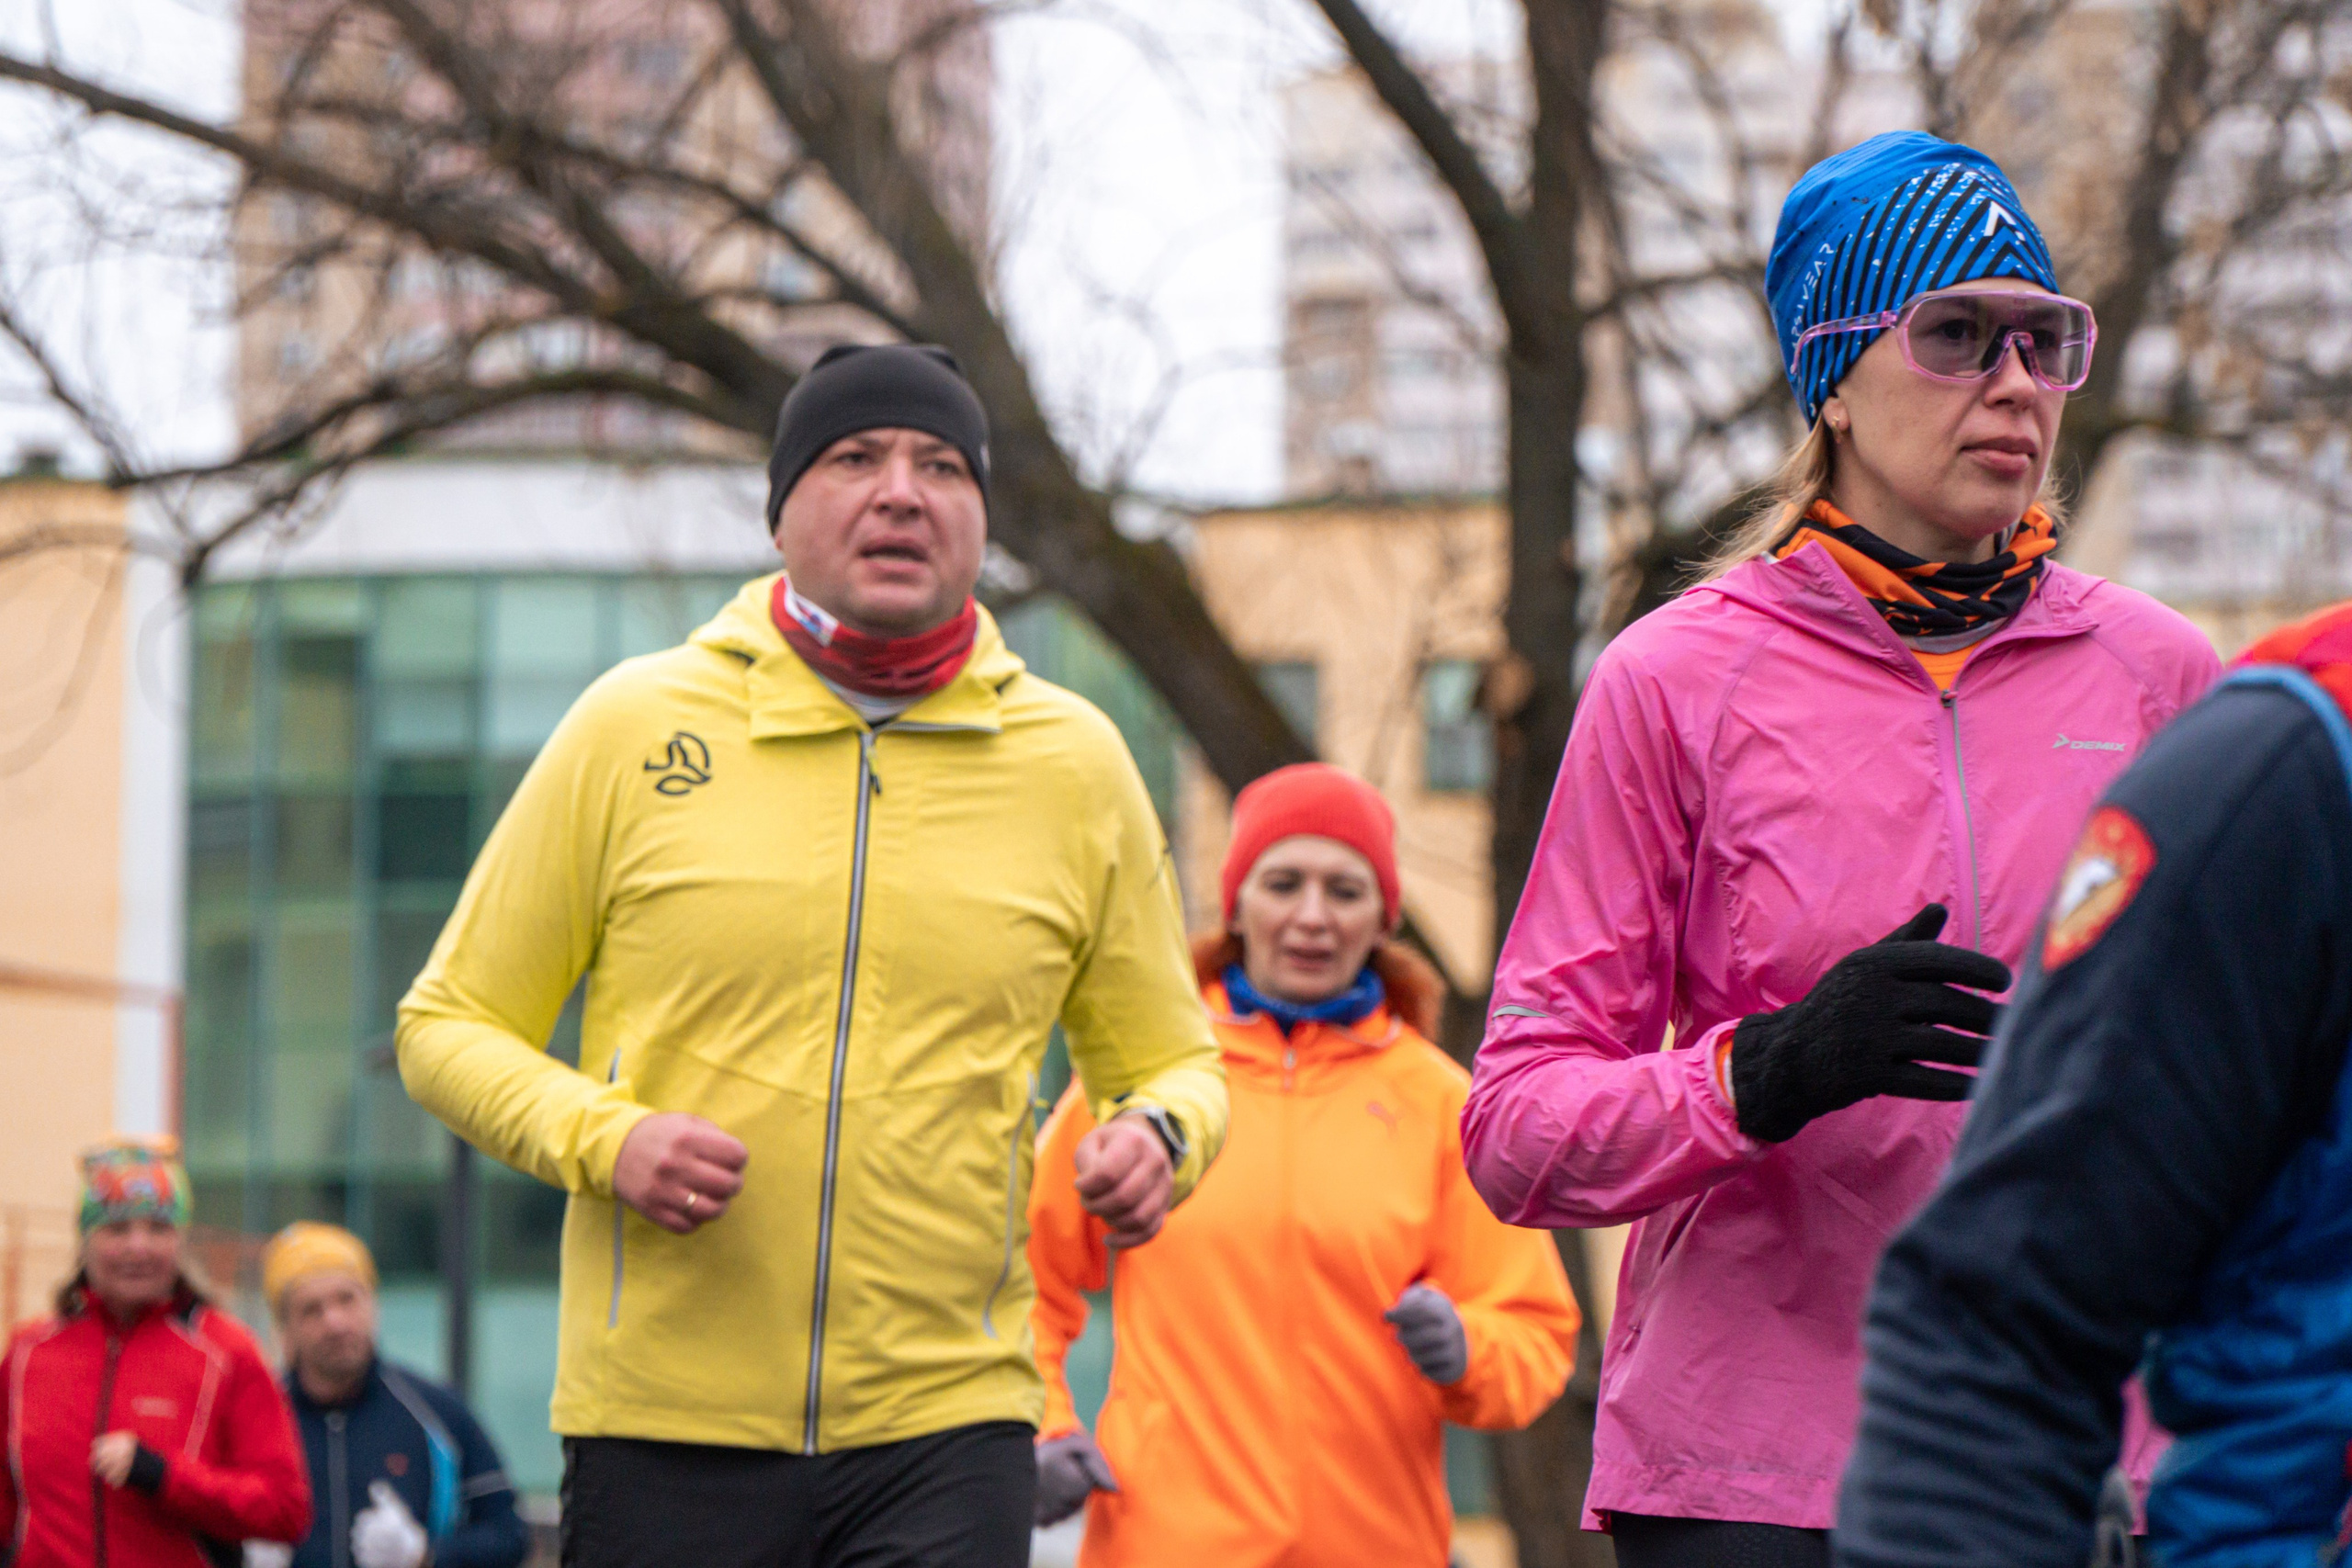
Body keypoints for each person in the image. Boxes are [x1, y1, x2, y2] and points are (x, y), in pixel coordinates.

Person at [1458, 130, 2221, 1567]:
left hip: (2083, 1459)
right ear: (1837, 380)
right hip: (1757, 1477)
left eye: (2043, 340)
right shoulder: (1675, 679)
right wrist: (1765, 1070)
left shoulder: (2163, 675)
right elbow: (1515, 1128)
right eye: (1955, 333)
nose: (2013, 382)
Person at [396, 342, 1228, 1568]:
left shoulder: (1076, 761)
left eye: (942, 464)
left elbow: (1176, 1060)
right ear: (782, 509)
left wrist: (1157, 1135)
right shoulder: (636, 723)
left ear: (979, 517)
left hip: (951, 1423)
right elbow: (447, 1022)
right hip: (664, 1423)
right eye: (856, 457)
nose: (902, 489)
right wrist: (607, 1135)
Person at [1835, 602, 2352, 1566]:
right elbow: (1996, 1327)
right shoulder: (2286, 765)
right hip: (1743, 1439)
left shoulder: (2152, 658)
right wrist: (1756, 1074)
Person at [1027, 762, 1582, 1567]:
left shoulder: (1440, 1104)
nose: (1312, 916)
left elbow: (1536, 1334)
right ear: (1238, 902)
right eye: (1283, 882)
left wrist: (1466, 1347)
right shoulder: (1150, 1079)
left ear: (1384, 916)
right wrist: (1042, 1426)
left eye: (1346, 890)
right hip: (1165, 1545)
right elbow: (1020, 1277)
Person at [0, 1138, 311, 1568]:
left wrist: (164, 1476)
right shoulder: (28, 1351)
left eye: (158, 1229)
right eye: (117, 1229)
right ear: (85, 1240)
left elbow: (286, 1510)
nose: (138, 1247)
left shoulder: (227, 1351)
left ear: (181, 1242)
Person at [257, 1223, 528, 1568]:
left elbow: (510, 1535)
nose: (335, 1322)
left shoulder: (437, 1412)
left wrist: (426, 1555)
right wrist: (238, 1551)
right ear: (284, 1329)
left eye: (347, 1299)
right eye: (312, 1309)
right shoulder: (255, 1417)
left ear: (374, 1304)